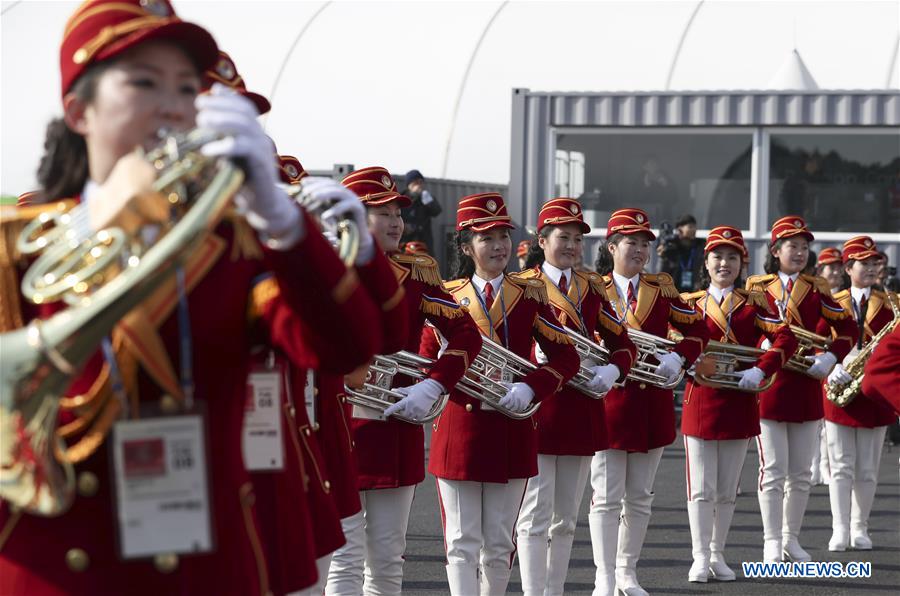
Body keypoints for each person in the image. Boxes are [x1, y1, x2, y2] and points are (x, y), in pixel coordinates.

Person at [0, 2, 382, 595]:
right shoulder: (15, 251)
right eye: (145, 82)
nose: (175, 105)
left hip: (205, 570)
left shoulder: (235, 245)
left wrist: (281, 221)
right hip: (53, 570)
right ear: (78, 110)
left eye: (186, 87)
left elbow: (348, 348)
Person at [326, 167, 482, 596]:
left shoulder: (415, 272)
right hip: (337, 426)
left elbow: (466, 333)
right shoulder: (322, 270)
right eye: (383, 211)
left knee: (388, 558)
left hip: (395, 426)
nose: (397, 221)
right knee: (343, 556)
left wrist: (434, 385)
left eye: (398, 211)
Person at [425, 192, 580, 595]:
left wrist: (531, 386)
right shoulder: (445, 294)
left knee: (498, 542)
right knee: (461, 543)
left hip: (512, 426)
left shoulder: (529, 293)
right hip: (460, 425)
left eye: (503, 237)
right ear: (465, 245)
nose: (498, 246)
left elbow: (566, 358)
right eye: (486, 237)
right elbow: (424, 360)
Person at [514, 198, 637, 596]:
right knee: (533, 515)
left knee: (565, 518)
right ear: (542, 239)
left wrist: (613, 369)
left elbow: (623, 342)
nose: (571, 246)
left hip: (582, 407)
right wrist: (527, 355)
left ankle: (555, 591)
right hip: (539, 407)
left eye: (577, 240)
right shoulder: (522, 286)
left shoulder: (590, 286)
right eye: (563, 237)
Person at [591, 208, 710, 596]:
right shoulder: (593, 288)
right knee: (607, 498)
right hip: (608, 402)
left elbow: (699, 330)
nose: (641, 250)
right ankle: (604, 576)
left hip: (651, 403)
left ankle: (627, 572)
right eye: (632, 242)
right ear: (612, 247)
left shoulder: (662, 287)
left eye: (645, 244)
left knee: (640, 497)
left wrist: (679, 357)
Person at [680, 226, 798, 583]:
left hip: (740, 400)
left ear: (742, 263)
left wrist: (762, 369)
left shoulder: (755, 303)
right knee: (700, 487)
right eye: (718, 255)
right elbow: (671, 341)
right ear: (707, 260)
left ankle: (718, 553)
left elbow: (785, 337)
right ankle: (699, 556)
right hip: (700, 399)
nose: (725, 263)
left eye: (733, 257)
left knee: (727, 488)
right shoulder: (689, 303)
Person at [745, 215, 858, 563]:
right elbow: (743, 328)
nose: (799, 252)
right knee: (773, 469)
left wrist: (831, 357)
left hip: (806, 382)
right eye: (792, 245)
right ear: (775, 250)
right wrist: (761, 343)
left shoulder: (817, 288)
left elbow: (848, 328)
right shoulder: (757, 286)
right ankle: (770, 541)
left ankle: (791, 539)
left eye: (804, 246)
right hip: (771, 384)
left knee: (801, 473)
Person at [821, 236, 897, 552]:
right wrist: (832, 364)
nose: (869, 268)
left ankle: (859, 526)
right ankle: (839, 528)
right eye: (863, 263)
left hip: (875, 395)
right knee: (840, 464)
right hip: (839, 387)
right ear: (848, 267)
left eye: (873, 263)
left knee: (867, 466)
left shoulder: (892, 304)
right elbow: (818, 341)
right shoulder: (831, 302)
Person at [811, 247, 844, 486]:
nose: (835, 271)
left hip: (838, 362)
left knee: (829, 422)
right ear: (820, 270)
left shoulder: (844, 298)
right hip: (817, 359)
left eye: (838, 267)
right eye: (830, 267)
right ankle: (815, 464)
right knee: (816, 421)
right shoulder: (815, 297)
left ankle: (826, 464)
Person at [657, 214, 705, 293]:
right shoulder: (671, 246)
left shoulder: (700, 245)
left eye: (695, 227)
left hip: (694, 292)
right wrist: (662, 257)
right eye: (690, 227)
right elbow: (661, 273)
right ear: (680, 229)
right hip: (673, 292)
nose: (694, 230)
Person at [399, 169, 442, 249]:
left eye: (421, 182)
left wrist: (429, 201)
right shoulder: (401, 199)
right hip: (405, 244)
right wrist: (403, 226)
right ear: (409, 185)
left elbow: (436, 211)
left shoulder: (426, 197)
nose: (419, 185)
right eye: (415, 183)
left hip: (423, 243)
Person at [635, 156, 677, 223]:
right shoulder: (639, 180)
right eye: (650, 164)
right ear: (644, 167)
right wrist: (646, 185)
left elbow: (674, 198)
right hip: (644, 217)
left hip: (664, 216)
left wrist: (666, 185)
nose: (653, 167)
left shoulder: (665, 178)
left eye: (655, 164)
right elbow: (636, 199)